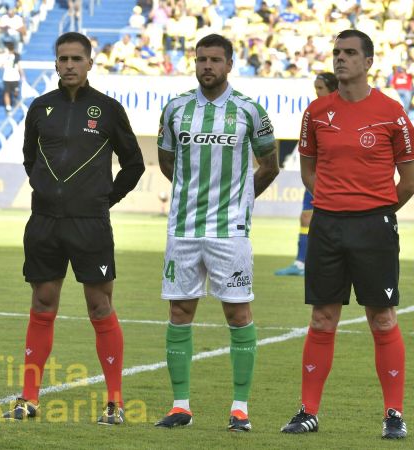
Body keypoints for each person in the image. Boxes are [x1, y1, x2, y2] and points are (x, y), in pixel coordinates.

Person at [2, 32, 145, 425]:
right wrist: (48, 193)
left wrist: (104, 199)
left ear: (89, 63)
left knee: (100, 307)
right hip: (45, 223)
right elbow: (31, 159)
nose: (69, 65)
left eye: (76, 59)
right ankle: (28, 398)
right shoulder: (39, 108)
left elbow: (134, 164)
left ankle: (114, 401)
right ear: (55, 63)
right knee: (42, 304)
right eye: (62, 58)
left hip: (90, 225)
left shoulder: (108, 109)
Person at [281, 29, 414, 439]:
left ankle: (393, 414)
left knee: (381, 317)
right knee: (322, 318)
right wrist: (331, 199)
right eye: (337, 52)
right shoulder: (317, 111)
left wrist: (376, 210)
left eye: (350, 53)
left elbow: (408, 179)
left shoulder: (392, 112)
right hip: (327, 225)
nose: (341, 59)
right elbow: (307, 168)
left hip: (374, 225)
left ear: (368, 62)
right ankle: (308, 411)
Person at [155, 33, 279, 432]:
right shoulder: (175, 109)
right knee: (179, 311)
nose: (207, 65)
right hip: (184, 229)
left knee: (238, 313)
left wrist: (241, 202)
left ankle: (240, 408)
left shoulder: (249, 111)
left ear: (229, 65)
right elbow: (166, 161)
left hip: (231, 233)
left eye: (215, 60)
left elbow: (269, 164)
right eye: (201, 59)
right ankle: (180, 406)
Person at [275, 72, 338, 276]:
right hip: (316, 174)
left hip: (332, 176)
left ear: (332, 89)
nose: (317, 92)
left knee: (326, 220)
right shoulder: (315, 112)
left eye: (320, 88)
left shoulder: (339, 112)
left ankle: (316, 262)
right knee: (305, 218)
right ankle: (301, 263)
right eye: (315, 88)